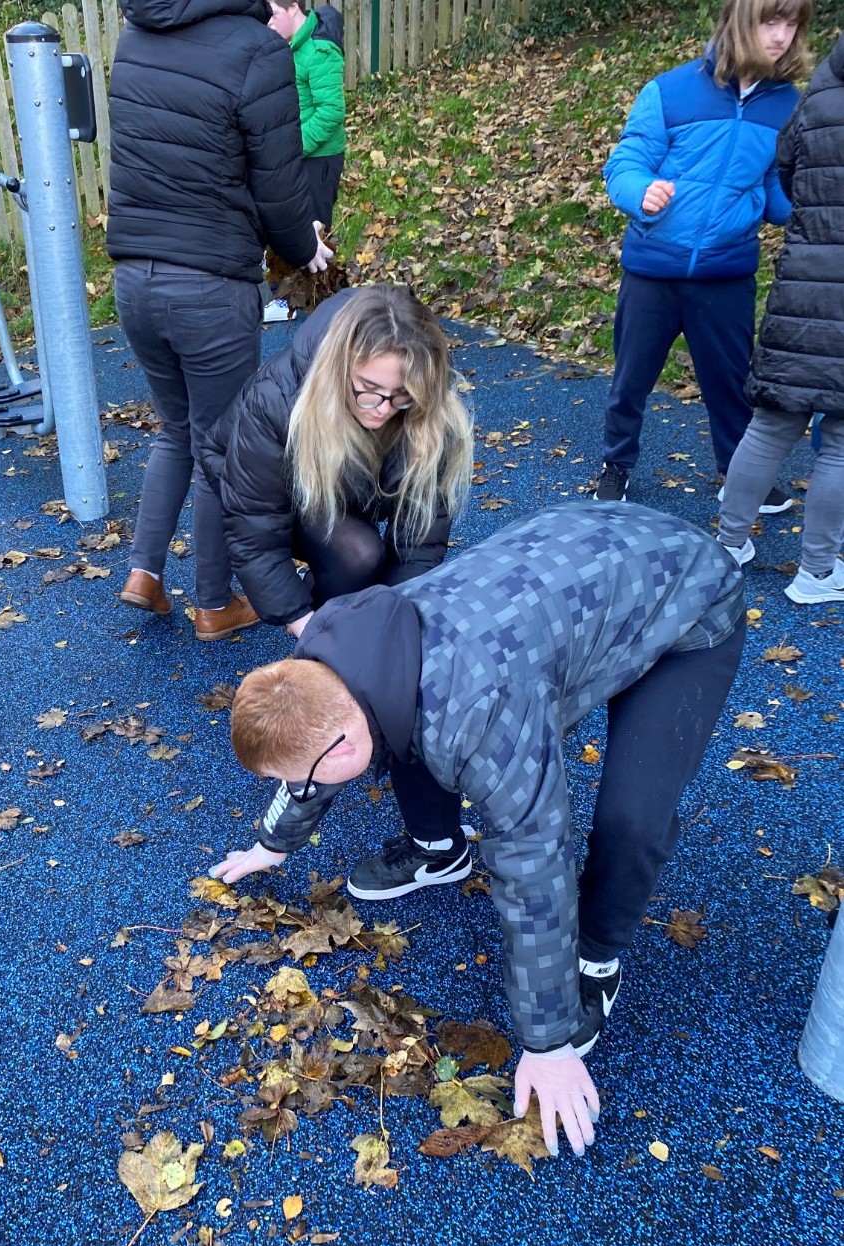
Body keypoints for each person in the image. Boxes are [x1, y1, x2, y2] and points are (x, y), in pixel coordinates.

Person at [209, 503, 746, 1158]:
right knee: (406, 734)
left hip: (686, 598)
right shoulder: (325, 665)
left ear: (341, 742)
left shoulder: (479, 711)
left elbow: (532, 860)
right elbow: (310, 759)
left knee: (632, 816)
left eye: (306, 776)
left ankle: (598, 956)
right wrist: (273, 841)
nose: (302, 784)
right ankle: (438, 852)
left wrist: (545, 1044)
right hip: (587, 565)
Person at [108, 0, 331, 642]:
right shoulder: (255, 50)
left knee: (175, 429)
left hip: (134, 277)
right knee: (221, 443)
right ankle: (213, 600)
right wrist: (304, 245)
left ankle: (144, 574)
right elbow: (281, 185)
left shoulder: (136, 35)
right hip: (208, 284)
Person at [594, 0, 810, 509]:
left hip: (726, 271)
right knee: (630, 379)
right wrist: (640, 191)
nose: (781, 35)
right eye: (769, 20)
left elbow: (778, 197)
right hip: (654, 269)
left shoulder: (790, 107)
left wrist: (803, 199)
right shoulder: (670, 90)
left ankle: (739, 474)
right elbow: (625, 163)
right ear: (741, 20)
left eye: (792, 22)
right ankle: (616, 465)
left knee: (733, 385)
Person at [201, 284, 474, 639]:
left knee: (373, 593)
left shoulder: (432, 411)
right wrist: (307, 627)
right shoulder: (277, 401)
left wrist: (394, 624)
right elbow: (256, 534)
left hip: (345, 484)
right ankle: (326, 638)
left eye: (402, 395)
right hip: (256, 478)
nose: (382, 410)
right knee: (357, 554)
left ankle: (333, 606)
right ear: (338, 369)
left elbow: (420, 541)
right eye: (368, 389)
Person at [718, 30, 844, 606]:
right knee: (842, 442)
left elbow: (789, 173)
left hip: (801, 288)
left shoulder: (816, 97)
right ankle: (816, 572)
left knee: (771, 424)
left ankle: (727, 545)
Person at [262, 0, 345, 323]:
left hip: (320, 159)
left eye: (274, 14)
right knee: (287, 219)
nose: (268, 22)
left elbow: (330, 112)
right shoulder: (290, 49)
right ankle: (289, 296)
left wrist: (292, 147)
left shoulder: (320, 50)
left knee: (314, 226)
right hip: (297, 155)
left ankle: (316, 304)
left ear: (293, 7)